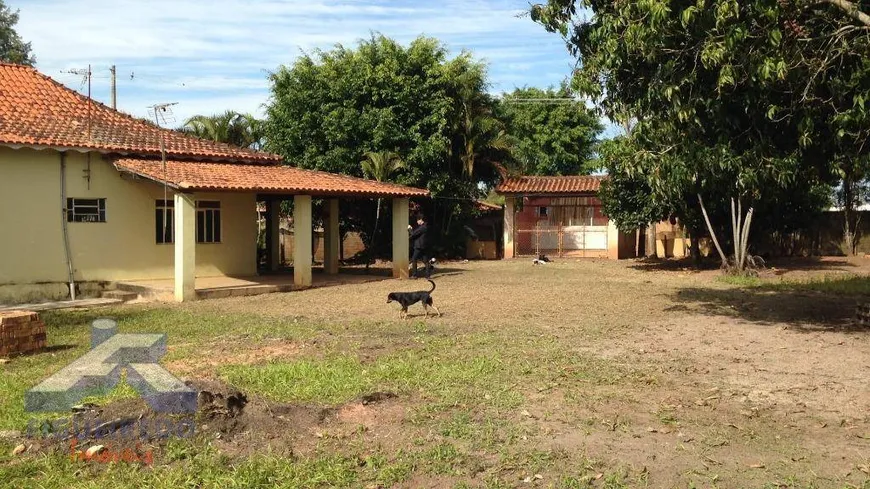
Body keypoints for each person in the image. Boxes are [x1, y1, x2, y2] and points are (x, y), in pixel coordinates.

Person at [408, 214, 432, 278]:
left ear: (421, 220)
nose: (417, 222)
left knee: (414, 259)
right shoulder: (426, 226)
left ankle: (414, 275)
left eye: (418, 220)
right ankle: (428, 275)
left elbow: (413, 234)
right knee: (425, 261)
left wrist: (410, 229)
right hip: (424, 246)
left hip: (419, 246)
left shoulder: (422, 227)